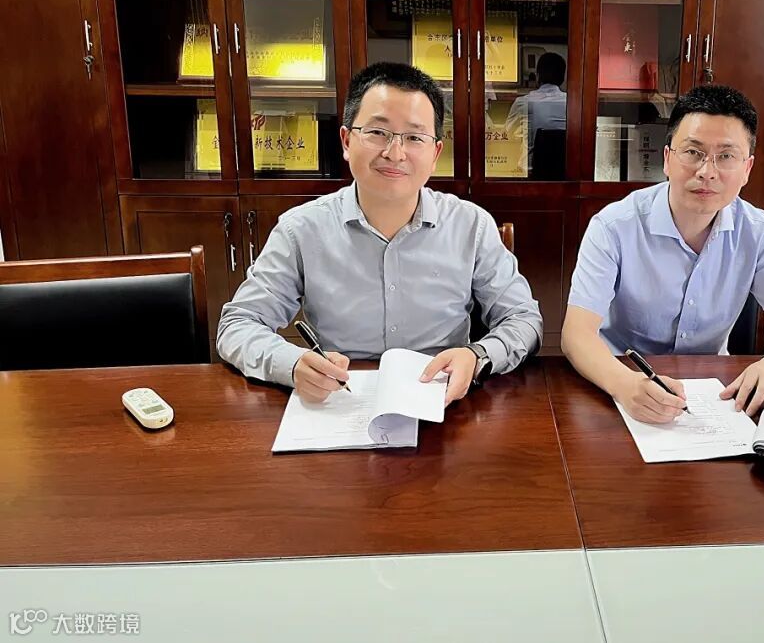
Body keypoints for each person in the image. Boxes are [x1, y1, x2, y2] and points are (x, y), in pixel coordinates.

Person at [218, 62, 543, 405]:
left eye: (414, 137)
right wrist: (293, 363)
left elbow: (523, 319)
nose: (395, 153)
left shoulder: (471, 226)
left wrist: (477, 356)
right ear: (346, 141)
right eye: (377, 132)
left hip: (443, 400)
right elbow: (238, 324)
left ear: (435, 153)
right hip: (339, 401)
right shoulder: (301, 230)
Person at [561, 85, 764, 422]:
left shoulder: (757, 231)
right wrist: (624, 384)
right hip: (621, 384)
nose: (706, 172)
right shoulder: (614, 227)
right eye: (693, 152)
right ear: (667, 159)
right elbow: (576, 334)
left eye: (726, 156)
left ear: (747, 169)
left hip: (715, 395)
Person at [504, 52, 567, 177]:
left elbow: (508, 133)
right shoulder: (573, 104)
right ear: (562, 77)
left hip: (530, 173)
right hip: (565, 174)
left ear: (538, 76)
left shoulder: (523, 102)